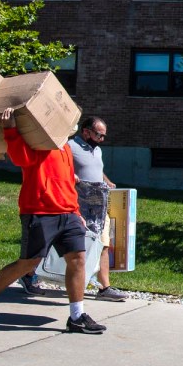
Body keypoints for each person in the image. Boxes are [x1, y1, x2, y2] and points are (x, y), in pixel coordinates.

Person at [0, 108, 106, 334]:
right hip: (39, 211)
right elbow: (20, 158)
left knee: (78, 259)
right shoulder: (38, 142)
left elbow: (68, 180)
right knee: (28, 263)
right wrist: (10, 129)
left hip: (68, 212)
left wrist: (76, 210)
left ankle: (77, 316)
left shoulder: (65, 147)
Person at [68, 115, 126, 301]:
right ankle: (30, 275)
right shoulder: (69, 147)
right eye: (99, 135)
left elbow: (96, 169)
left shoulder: (97, 150)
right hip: (77, 206)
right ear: (86, 132)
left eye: (103, 136)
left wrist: (107, 182)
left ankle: (104, 288)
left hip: (98, 206)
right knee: (64, 244)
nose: (102, 140)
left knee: (102, 244)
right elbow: (60, 168)